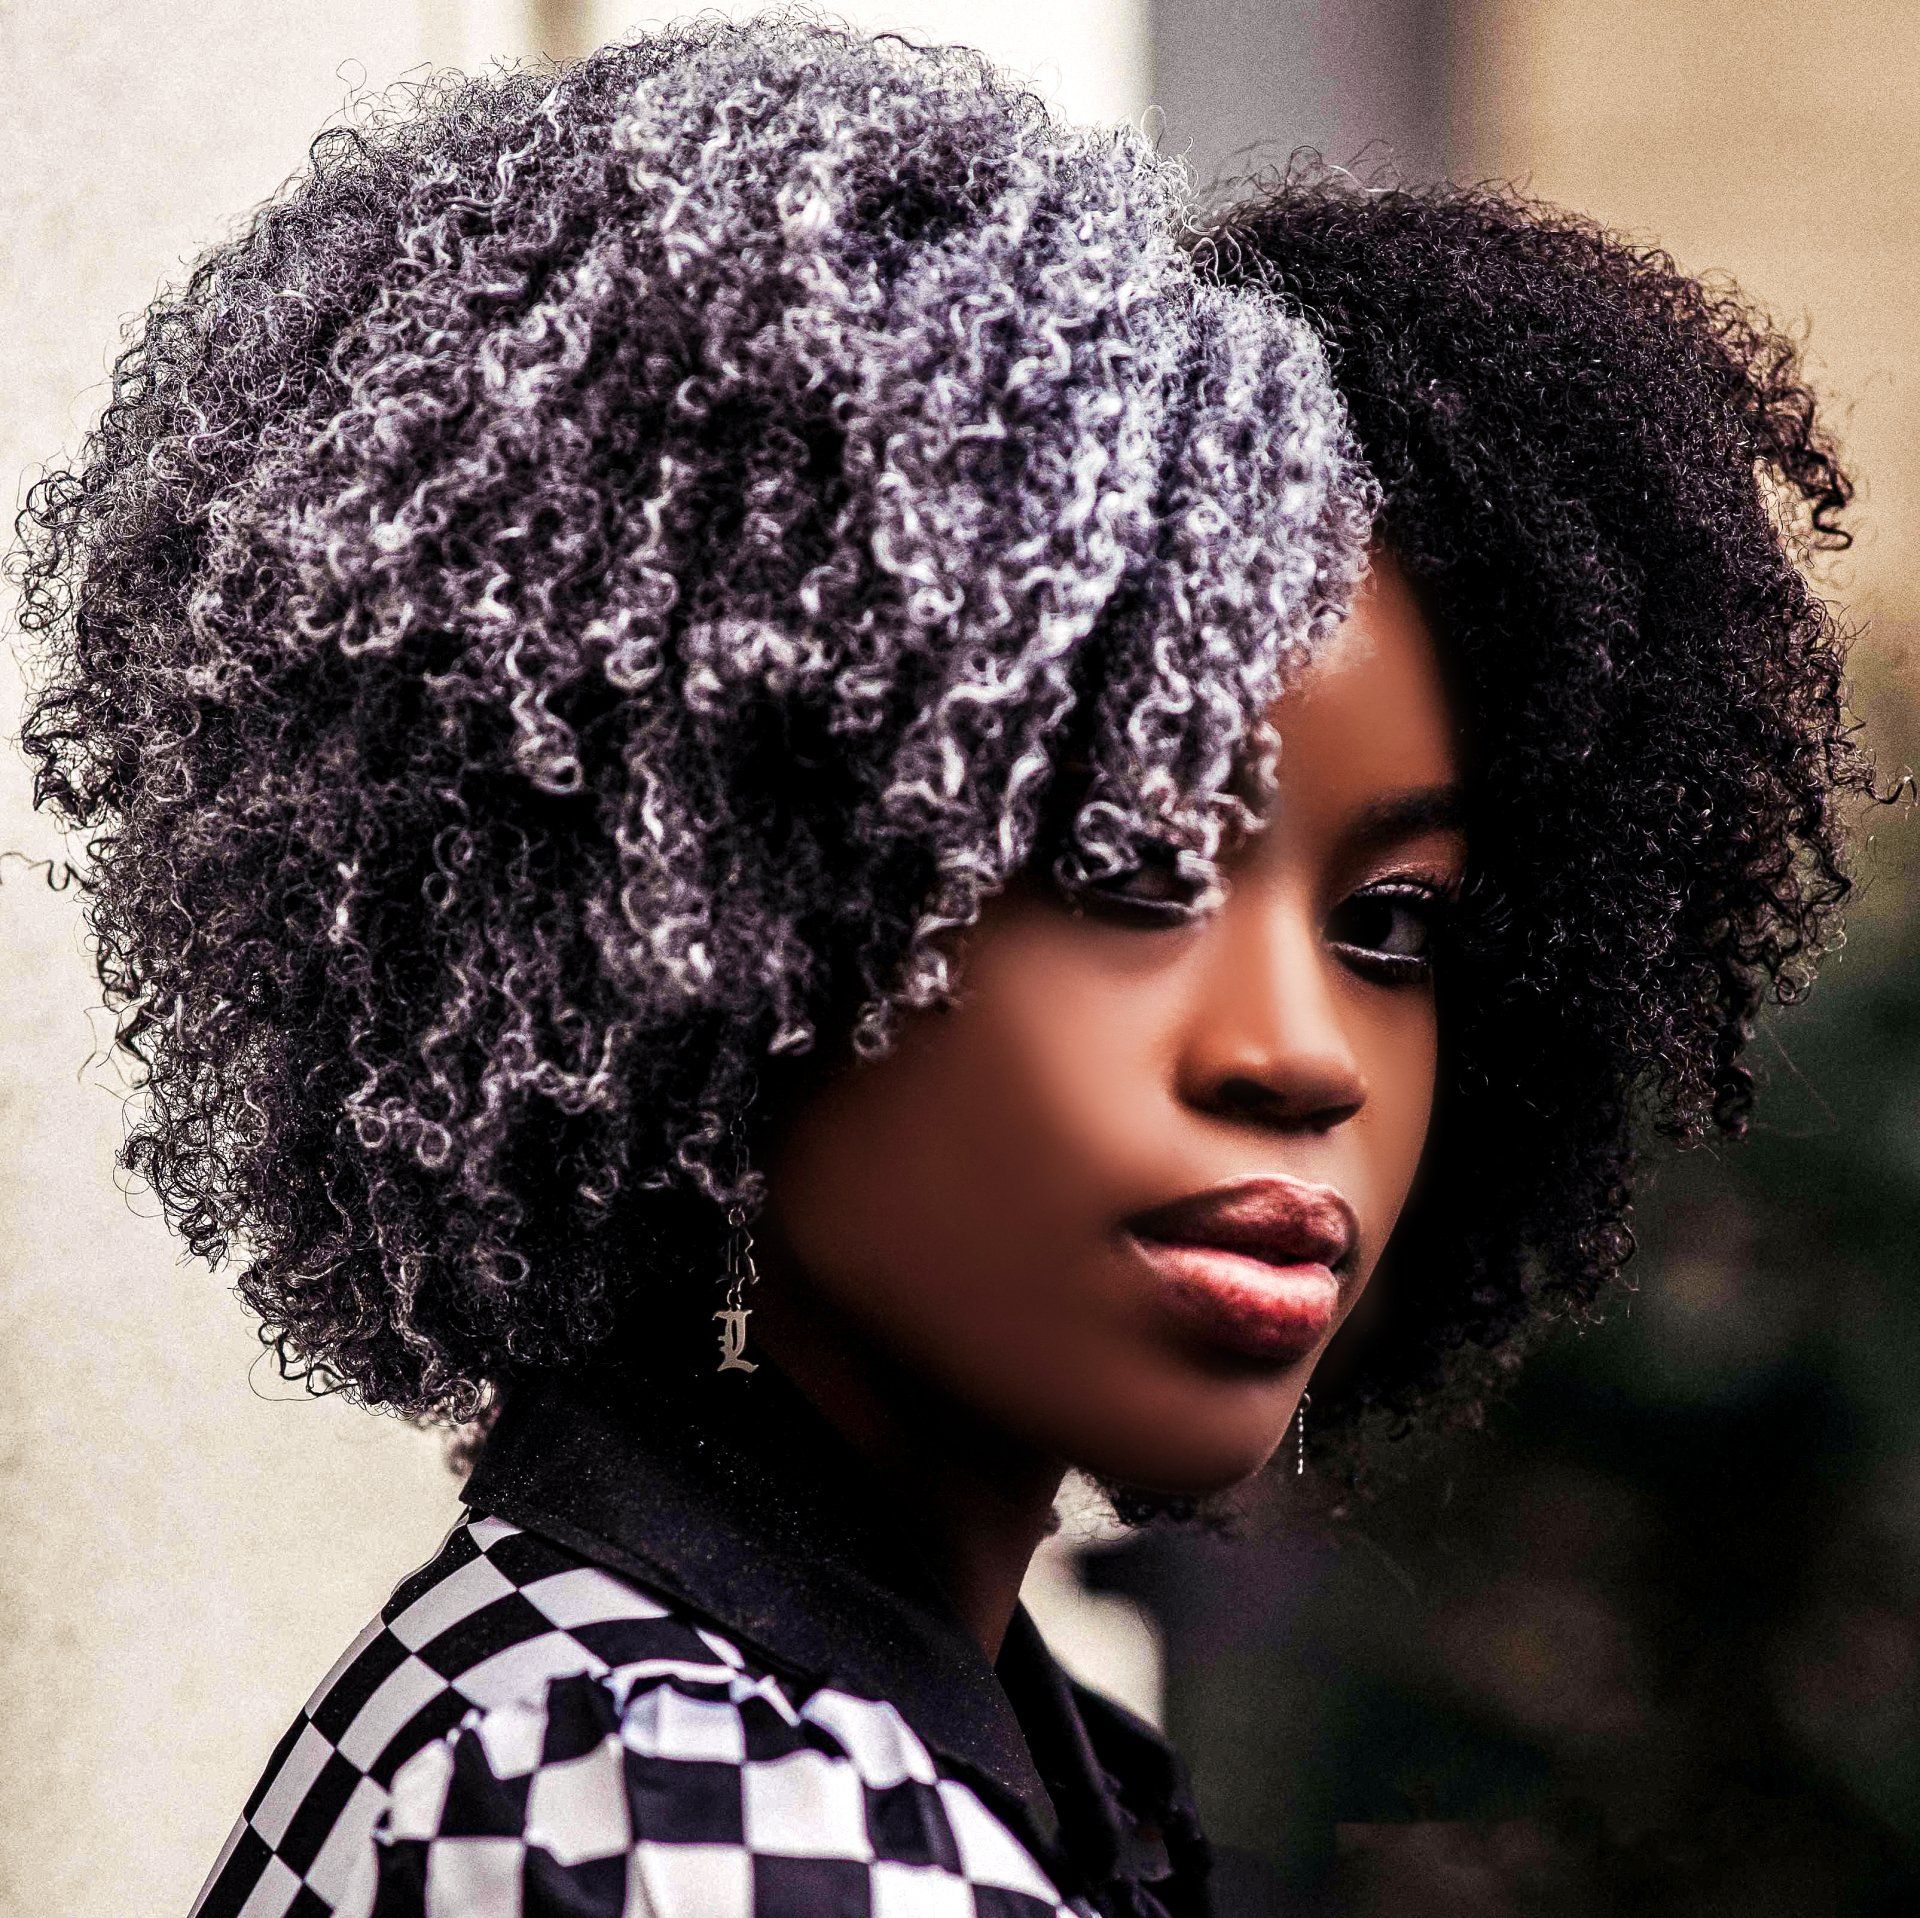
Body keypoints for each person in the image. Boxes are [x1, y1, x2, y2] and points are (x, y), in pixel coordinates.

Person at [6, 11, 1876, 1918]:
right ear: (717, 912)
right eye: (1134, 868)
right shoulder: (668, 1810)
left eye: (1392, 925)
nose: (1308, 1055)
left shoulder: (673, 1699)